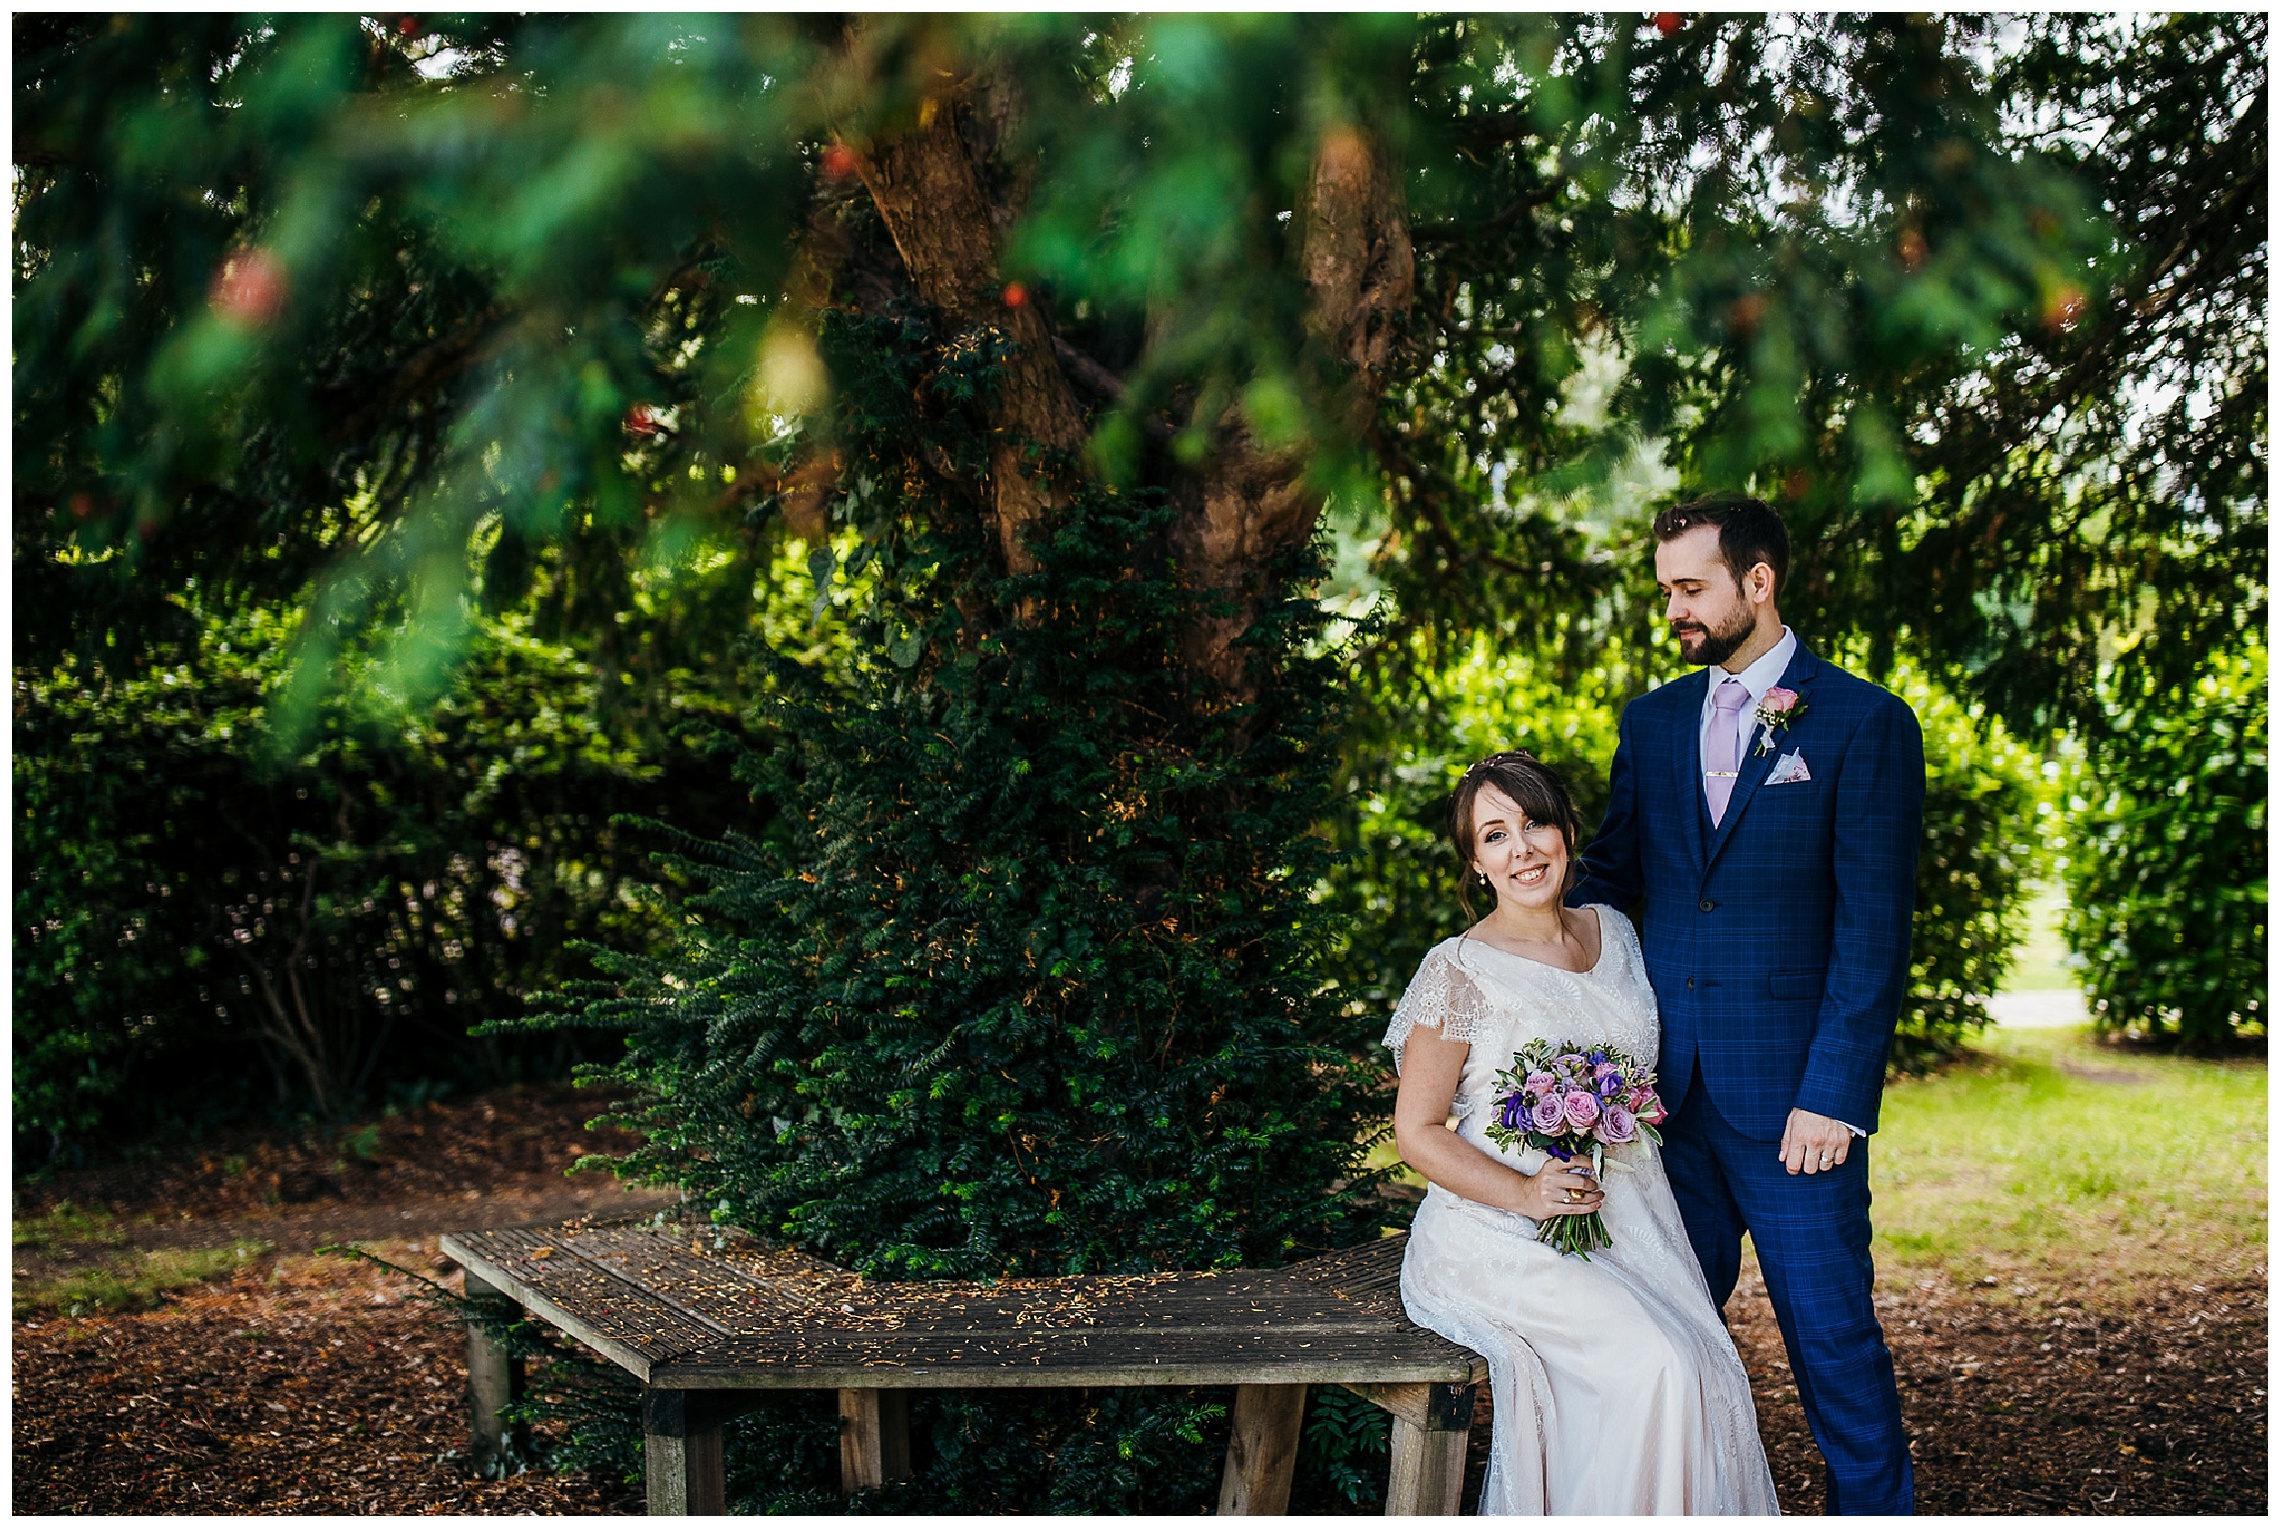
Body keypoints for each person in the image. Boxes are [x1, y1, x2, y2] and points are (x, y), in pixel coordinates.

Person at [1569, 493, 1923, 1514]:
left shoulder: (1865, 723)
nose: (1673, 608)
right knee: (1659, 1335)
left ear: (1757, 582)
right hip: (1661, 1104)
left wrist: (1836, 1094)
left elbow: (1872, 933)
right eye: (1666, 589)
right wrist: (1516, 950)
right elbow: (1612, 874)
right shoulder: (1654, 718)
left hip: (1794, 1113)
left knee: (1834, 1342)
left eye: (1692, 587)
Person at [1385, 749, 1779, 1515]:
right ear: (1475, 862)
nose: (1522, 848)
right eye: (1495, 835)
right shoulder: (1456, 969)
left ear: (1567, 830)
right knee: (1656, 1362)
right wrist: (1526, 1192)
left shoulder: (1617, 935)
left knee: (1703, 1358)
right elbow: (1418, 1132)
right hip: (1494, 1234)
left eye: (1534, 823)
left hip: (1630, 1215)